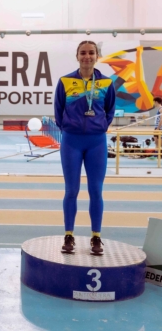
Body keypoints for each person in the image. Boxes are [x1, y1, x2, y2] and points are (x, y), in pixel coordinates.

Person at [54, 40, 116, 256]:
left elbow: (110, 110)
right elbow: (58, 109)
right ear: (77, 56)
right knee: (71, 190)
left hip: (96, 142)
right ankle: (69, 235)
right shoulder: (65, 81)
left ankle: (96, 237)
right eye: (83, 53)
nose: (87, 56)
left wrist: (99, 127)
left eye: (91, 53)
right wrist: (70, 129)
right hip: (71, 141)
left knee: (95, 191)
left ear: (97, 55)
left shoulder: (107, 83)